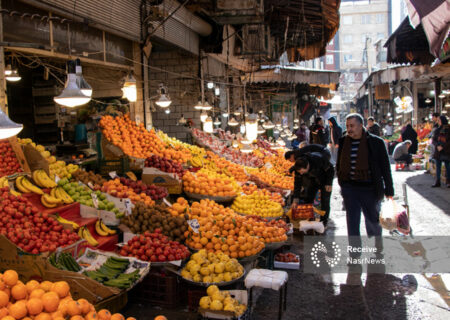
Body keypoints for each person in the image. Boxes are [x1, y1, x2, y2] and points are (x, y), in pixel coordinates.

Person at [336, 113, 394, 239]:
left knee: (373, 220)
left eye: (352, 126)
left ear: (361, 125)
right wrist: (343, 184)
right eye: (347, 126)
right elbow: (339, 164)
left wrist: (389, 189)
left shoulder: (376, 142)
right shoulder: (343, 142)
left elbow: (385, 168)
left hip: (370, 188)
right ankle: (354, 254)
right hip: (350, 188)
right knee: (352, 222)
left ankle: (377, 246)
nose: (349, 129)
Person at [292, 152, 334, 227]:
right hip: (312, 180)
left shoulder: (318, 160)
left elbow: (331, 169)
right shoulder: (298, 168)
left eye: (302, 171)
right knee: (308, 198)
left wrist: (329, 183)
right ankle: (309, 217)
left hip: (324, 179)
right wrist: (296, 199)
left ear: (307, 166)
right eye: (299, 172)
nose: (301, 173)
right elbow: (297, 183)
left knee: (325, 201)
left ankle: (324, 221)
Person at [432, 115, 450, 188]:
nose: (438, 122)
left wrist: (443, 146)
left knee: (447, 166)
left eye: (439, 120)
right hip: (438, 151)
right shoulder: (437, 130)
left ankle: (448, 181)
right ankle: (437, 181)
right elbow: (434, 140)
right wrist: (437, 146)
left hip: (446, 150)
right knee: (438, 166)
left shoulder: (448, 129)